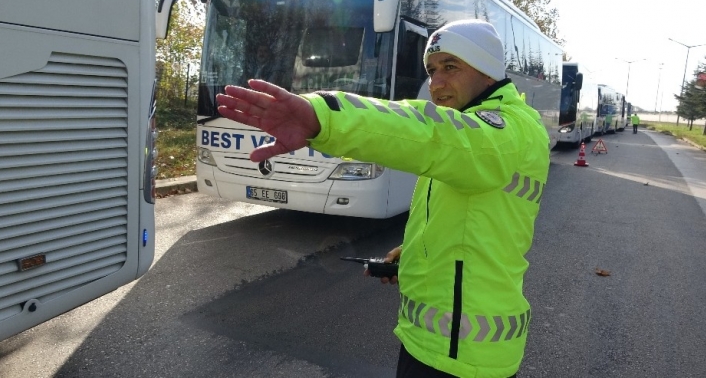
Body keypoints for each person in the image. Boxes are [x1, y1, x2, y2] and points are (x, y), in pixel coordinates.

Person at [216, 19, 550, 378]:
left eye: (451, 67)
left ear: (487, 71)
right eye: (432, 70)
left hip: (463, 358)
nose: (436, 83)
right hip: (436, 347)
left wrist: (324, 119)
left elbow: (433, 133)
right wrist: (412, 253)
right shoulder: (478, 128)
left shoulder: (507, 128)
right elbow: (471, 222)